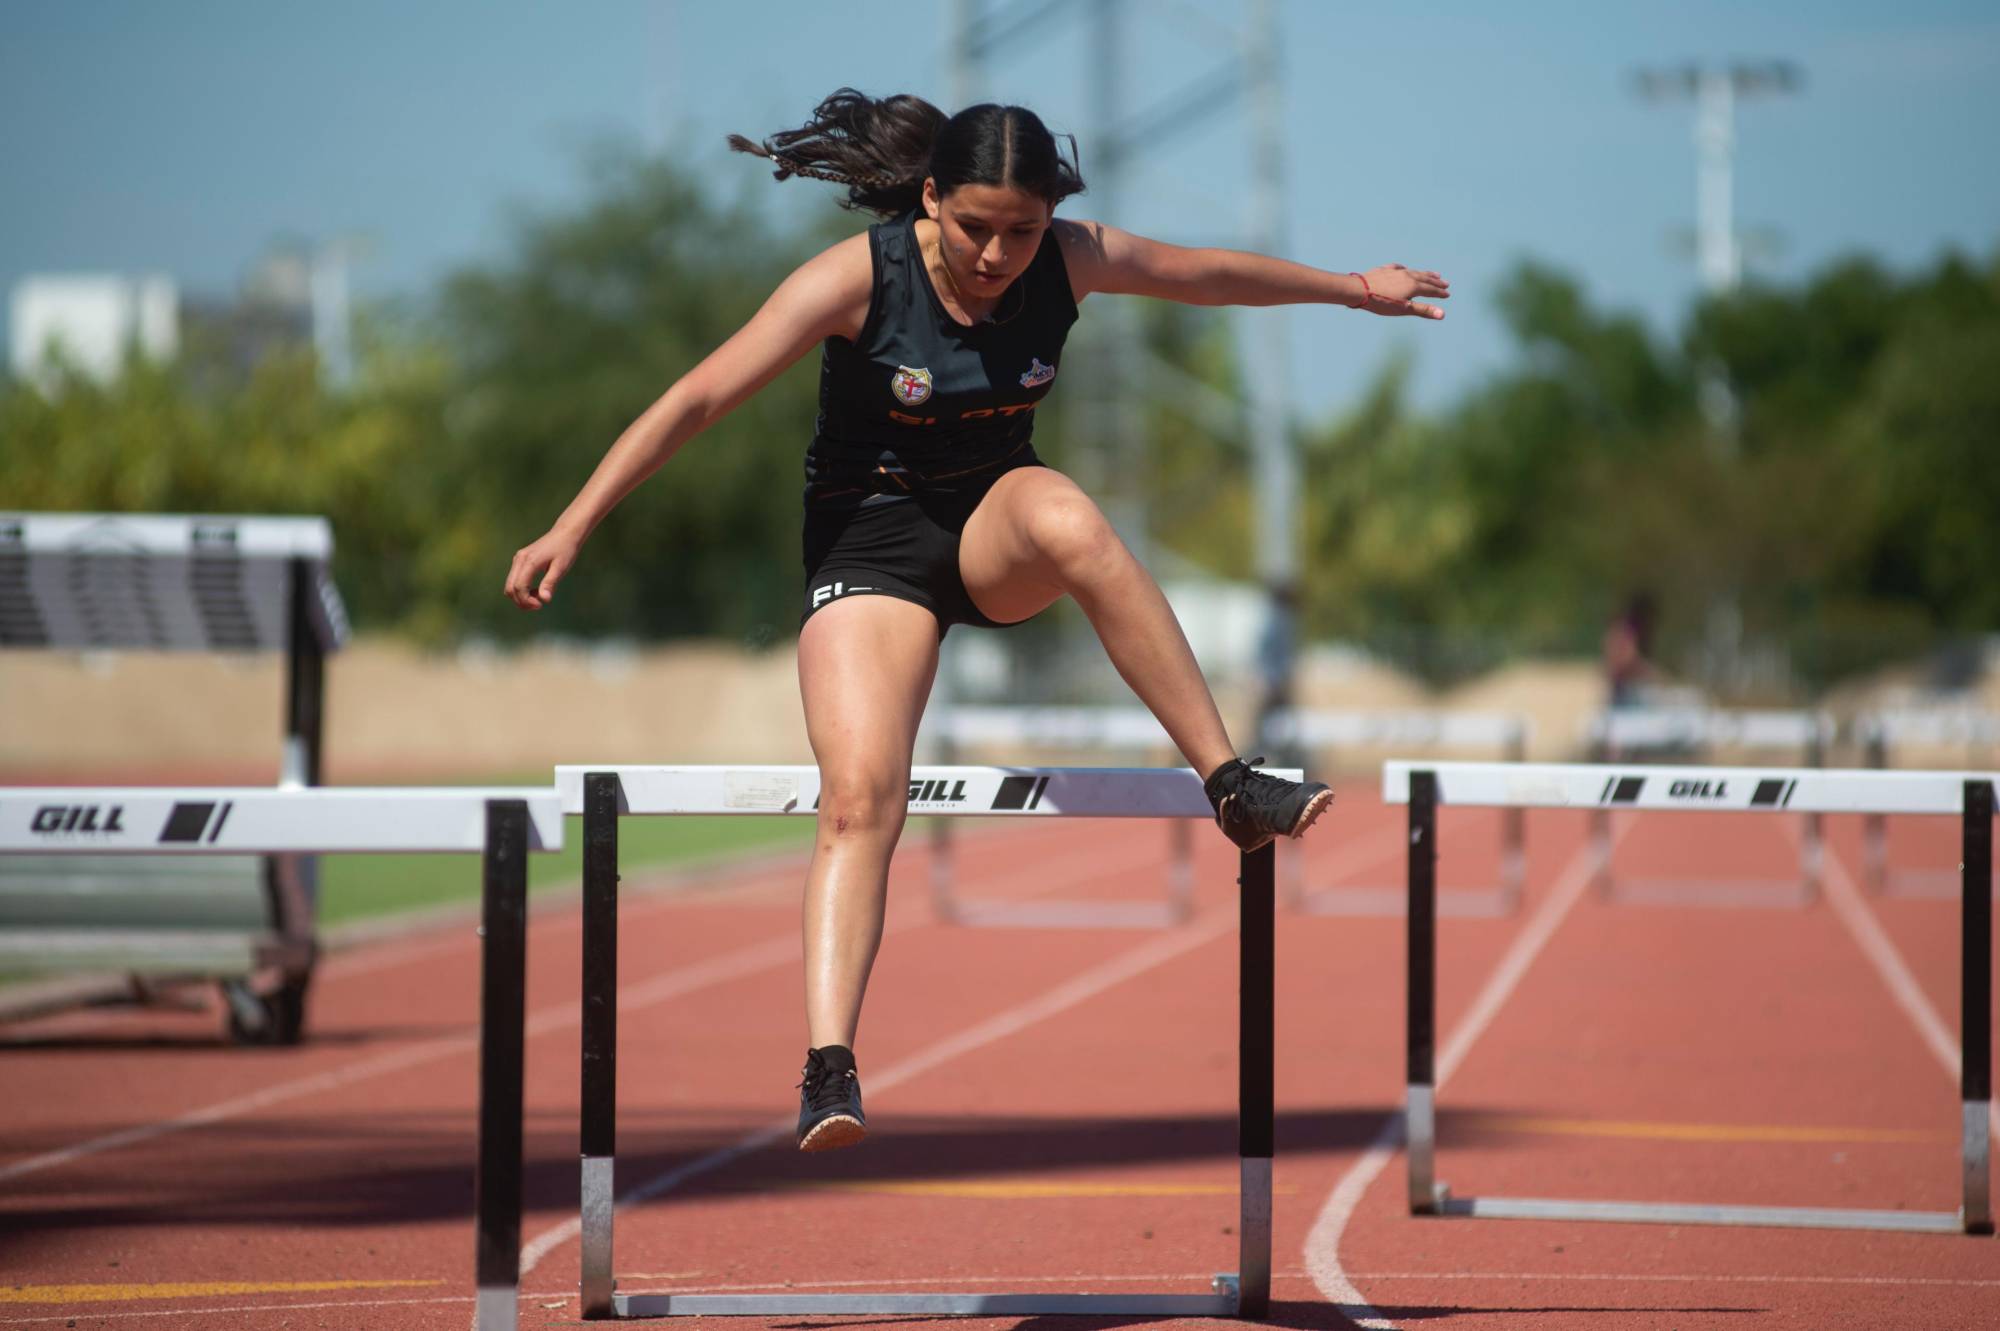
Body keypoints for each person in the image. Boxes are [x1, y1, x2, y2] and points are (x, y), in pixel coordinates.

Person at [504, 89, 1449, 1152]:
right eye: (974, 229)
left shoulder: (1069, 257)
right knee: (862, 795)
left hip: (993, 524)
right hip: (870, 545)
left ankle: (1228, 782)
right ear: (929, 197)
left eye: (1023, 231)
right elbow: (696, 397)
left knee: (1074, 517)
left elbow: (1205, 276)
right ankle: (828, 1066)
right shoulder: (856, 279)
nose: (999, 254)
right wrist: (572, 522)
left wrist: (1352, 292)